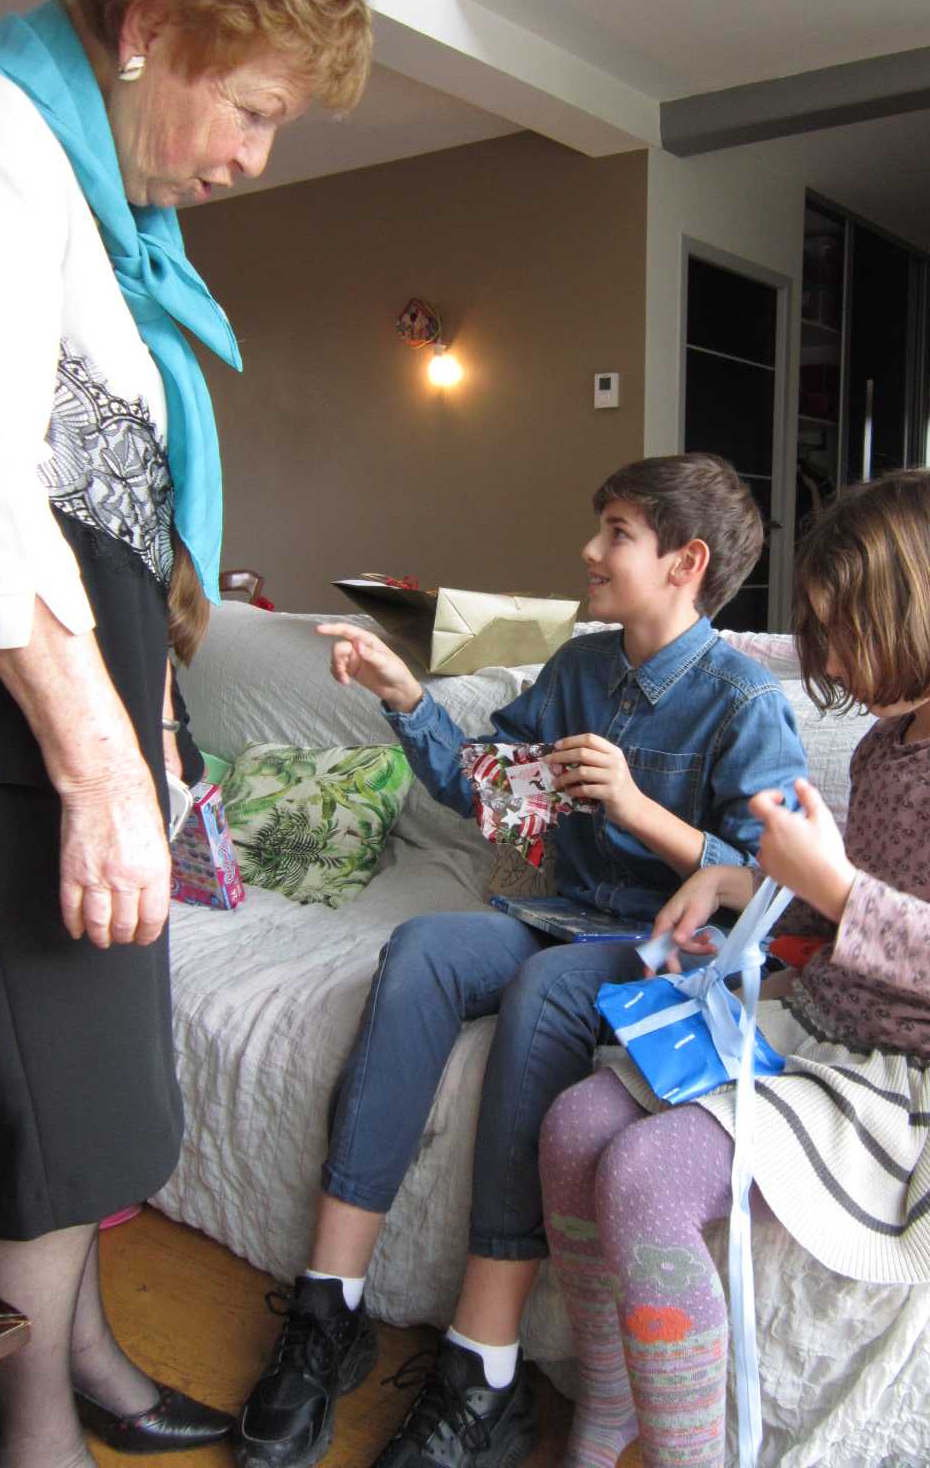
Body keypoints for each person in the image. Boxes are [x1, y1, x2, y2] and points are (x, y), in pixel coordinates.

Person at [0, 0, 371, 1465]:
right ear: (147, 28)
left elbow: (116, 528)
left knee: (99, 1098)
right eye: (253, 109)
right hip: (8, 742)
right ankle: (31, 1436)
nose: (254, 158)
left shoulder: (105, 217)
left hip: (84, 722)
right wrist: (96, 768)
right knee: (49, 1123)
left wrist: (162, 727)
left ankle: (89, 1362)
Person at [236, 453, 809, 1468]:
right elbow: (492, 794)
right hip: (556, 913)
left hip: (662, 947)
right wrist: (405, 695)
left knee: (544, 989)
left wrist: (639, 810)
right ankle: (329, 1305)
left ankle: (482, 1368)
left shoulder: (743, 700)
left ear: (685, 562)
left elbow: (777, 882)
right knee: (423, 947)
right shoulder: (581, 668)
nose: (589, 550)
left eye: (617, 533)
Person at [538, 467, 930, 1468]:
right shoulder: (890, 744)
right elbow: (835, 903)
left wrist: (837, 889)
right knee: (573, 1124)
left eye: (847, 633)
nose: (833, 662)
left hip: (896, 1068)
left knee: (642, 1174)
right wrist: (734, 882)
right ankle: (609, 1404)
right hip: (818, 1021)